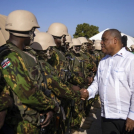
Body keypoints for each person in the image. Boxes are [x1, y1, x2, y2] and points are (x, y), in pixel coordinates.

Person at [0, 10, 60, 134]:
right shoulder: (10, 56)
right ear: (27, 30)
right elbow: (27, 92)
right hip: (19, 125)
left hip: (29, 120)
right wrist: (51, 106)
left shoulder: (22, 54)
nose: (33, 34)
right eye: (32, 30)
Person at [81, 29, 134, 134]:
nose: (101, 43)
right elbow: (97, 82)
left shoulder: (130, 60)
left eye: (104, 40)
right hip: (107, 115)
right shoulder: (103, 61)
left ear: (115, 40)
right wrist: (88, 92)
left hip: (125, 117)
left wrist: (132, 116)